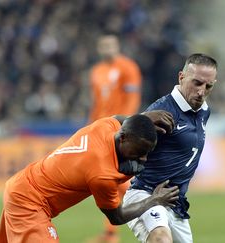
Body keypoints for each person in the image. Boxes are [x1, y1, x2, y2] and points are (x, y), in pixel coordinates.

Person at [0, 111, 180, 243]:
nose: (144, 158)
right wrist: (154, 200)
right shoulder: (102, 174)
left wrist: (145, 118)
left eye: (147, 152)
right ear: (123, 139)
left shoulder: (105, 127)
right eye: (140, 152)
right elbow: (116, 217)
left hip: (23, 185)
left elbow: (118, 119)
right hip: (28, 203)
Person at [122, 53, 218, 243]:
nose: (201, 91)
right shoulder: (163, 112)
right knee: (161, 240)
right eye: (197, 83)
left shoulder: (204, 110)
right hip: (147, 194)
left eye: (208, 86)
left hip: (174, 203)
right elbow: (124, 143)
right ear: (181, 77)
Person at [88, 34, 143, 243]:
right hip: (100, 130)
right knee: (112, 179)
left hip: (119, 129)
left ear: (118, 46)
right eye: (103, 45)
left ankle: (113, 232)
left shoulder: (128, 67)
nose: (107, 48)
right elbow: (96, 102)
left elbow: (132, 97)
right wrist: (90, 126)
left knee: (113, 178)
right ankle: (111, 233)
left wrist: (126, 125)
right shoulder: (96, 71)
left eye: (110, 44)